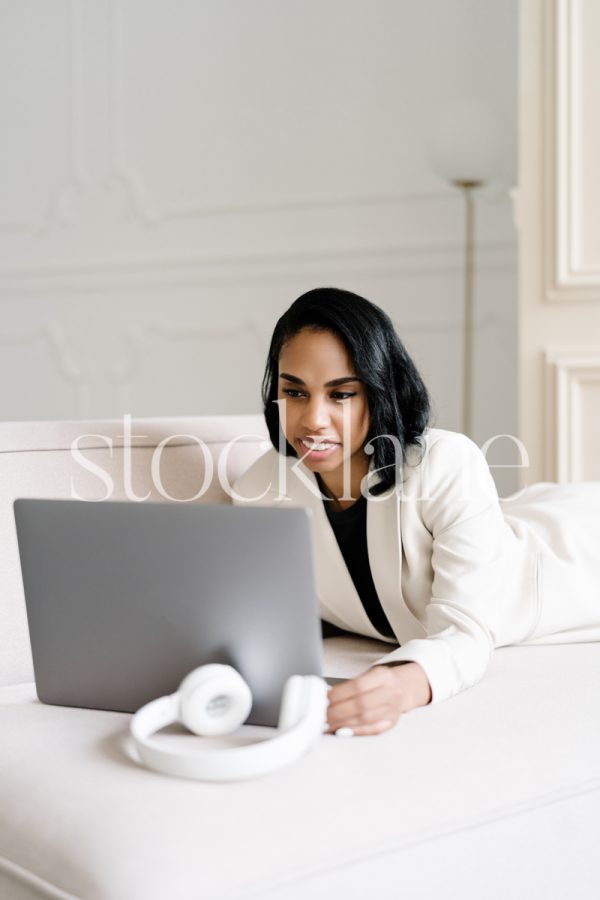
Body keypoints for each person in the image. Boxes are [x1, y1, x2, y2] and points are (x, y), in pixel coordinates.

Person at [232, 287, 600, 737]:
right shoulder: (258, 490)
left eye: (341, 394)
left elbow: (466, 633)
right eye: (295, 392)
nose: (313, 419)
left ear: (378, 390)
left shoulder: (446, 462)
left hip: (575, 556)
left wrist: (401, 685)